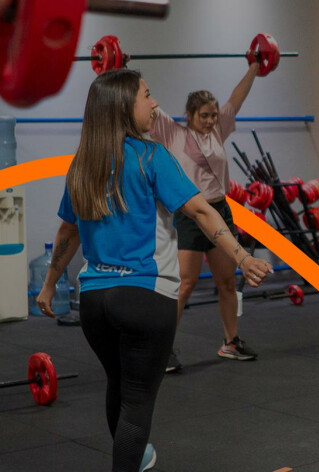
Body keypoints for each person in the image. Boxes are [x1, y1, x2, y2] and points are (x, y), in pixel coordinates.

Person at [35, 69, 272, 472]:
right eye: (147, 95)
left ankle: (136, 457)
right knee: (138, 399)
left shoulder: (82, 165)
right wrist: (242, 257)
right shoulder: (151, 156)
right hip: (144, 298)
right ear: (123, 107)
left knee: (119, 385)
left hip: (94, 303)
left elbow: (67, 233)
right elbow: (201, 211)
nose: (155, 103)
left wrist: (48, 286)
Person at [149, 58, 264, 371]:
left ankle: (231, 342)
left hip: (220, 211)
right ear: (189, 115)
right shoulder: (172, 133)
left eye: (214, 114)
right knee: (185, 284)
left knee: (226, 282)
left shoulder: (219, 129)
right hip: (190, 215)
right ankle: (162, 350)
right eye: (204, 115)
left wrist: (254, 66)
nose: (211, 120)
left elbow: (237, 98)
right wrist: (119, 70)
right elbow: (147, 102)